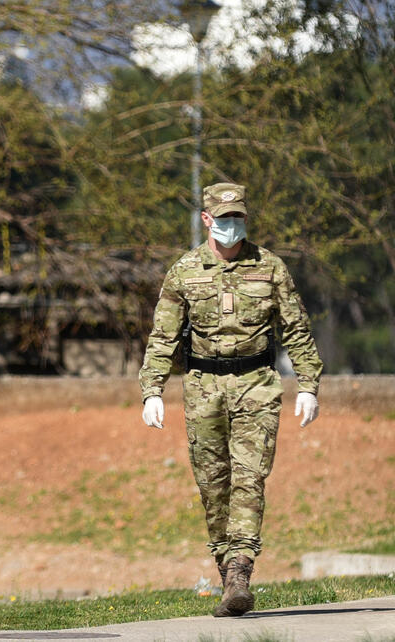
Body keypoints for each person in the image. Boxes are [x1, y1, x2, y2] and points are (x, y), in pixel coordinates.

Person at [138, 183, 323, 617]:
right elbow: (163, 335)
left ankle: (240, 570)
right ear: (207, 219)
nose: (231, 225)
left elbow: (296, 328)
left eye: (238, 217)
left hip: (257, 383)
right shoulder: (184, 271)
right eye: (223, 218)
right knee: (213, 483)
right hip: (203, 385)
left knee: (249, 476)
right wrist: (152, 390)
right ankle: (226, 571)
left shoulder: (270, 267)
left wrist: (308, 384)